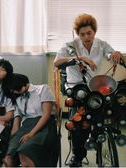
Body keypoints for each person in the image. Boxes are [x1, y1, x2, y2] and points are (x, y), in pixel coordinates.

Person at [54, 13, 124, 167]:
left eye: (89, 33)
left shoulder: (101, 44)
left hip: (97, 86)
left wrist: (116, 54)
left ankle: (102, 146)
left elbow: (110, 54)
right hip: (78, 86)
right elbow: (57, 63)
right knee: (79, 126)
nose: (86, 37)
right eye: (82, 34)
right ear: (78, 34)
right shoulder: (70, 45)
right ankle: (78, 156)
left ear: (95, 32)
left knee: (106, 115)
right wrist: (79, 58)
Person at [2, 73, 58, 167]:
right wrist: (14, 133)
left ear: (24, 84)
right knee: (9, 154)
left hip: (44, 125)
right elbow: (17, 117)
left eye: (17, 89)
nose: (15, 92)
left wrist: (31, 133)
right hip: (26, 125)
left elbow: (46, 115)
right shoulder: (16, 96)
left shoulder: (42, 89)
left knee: (25, 151)